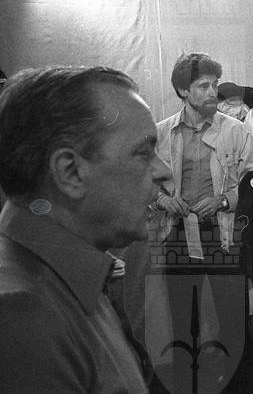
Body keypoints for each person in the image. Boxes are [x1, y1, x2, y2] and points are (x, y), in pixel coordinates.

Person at [0, 66, 171, 392]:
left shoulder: (66, 279)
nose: (163, 171)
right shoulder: (20, 316)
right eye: (143, 153)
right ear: (70, 172)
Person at [155, 53, 253, 363]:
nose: (213, 92)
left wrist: (223, 200)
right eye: (203, 86)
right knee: (182, 319)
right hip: (178, 234)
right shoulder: (162, 133)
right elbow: (145, 182)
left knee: (233, 316)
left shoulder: (236, 131)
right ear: (183, 90)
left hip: (223, 234)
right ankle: (186, 377)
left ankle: (239, 380)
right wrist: (164, 200)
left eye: (215, 85)